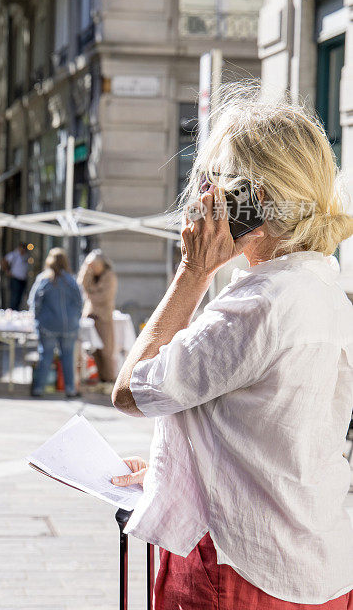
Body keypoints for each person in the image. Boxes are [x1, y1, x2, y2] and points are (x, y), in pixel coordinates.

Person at [111, 91, 353, 609]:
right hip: (315, 565)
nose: (203, 196)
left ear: (253, 200)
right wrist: (179, 472)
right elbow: (277, 438)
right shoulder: (324, 288)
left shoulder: (259, 303)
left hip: (239, 573)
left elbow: (131, 390)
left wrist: (192, 272)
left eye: (214, 181)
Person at [28, 248, 83, 398]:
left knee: (45, 356)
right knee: (68, 357)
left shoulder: (43, 279)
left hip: (48, 324)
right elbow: (79, 303)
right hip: (69, 326)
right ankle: (70, 389)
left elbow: (34, 302)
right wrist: (74, 319)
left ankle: (39, 388)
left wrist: (38, 319)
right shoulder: (71, 280)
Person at [77, 249, 118, 389]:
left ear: (102, 264)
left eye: (95, 265)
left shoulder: (109, 276)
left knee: (106, 349)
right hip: (90, 315)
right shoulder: (91, 274)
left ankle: (109, 379)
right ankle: (100, 379)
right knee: (94, 349)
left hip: (103, 316)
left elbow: (104, 297)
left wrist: (90, 294)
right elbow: (81, 285)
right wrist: (85, 268)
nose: (93, 268)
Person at [1, 242, 29, 310]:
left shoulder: (26, 256)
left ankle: (16, 310)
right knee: (14, 297)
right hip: (15, 278)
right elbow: (4, 261)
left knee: (20, 296)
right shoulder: (14, 255)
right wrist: (7, 271)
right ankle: (12, 310)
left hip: (23, 279)